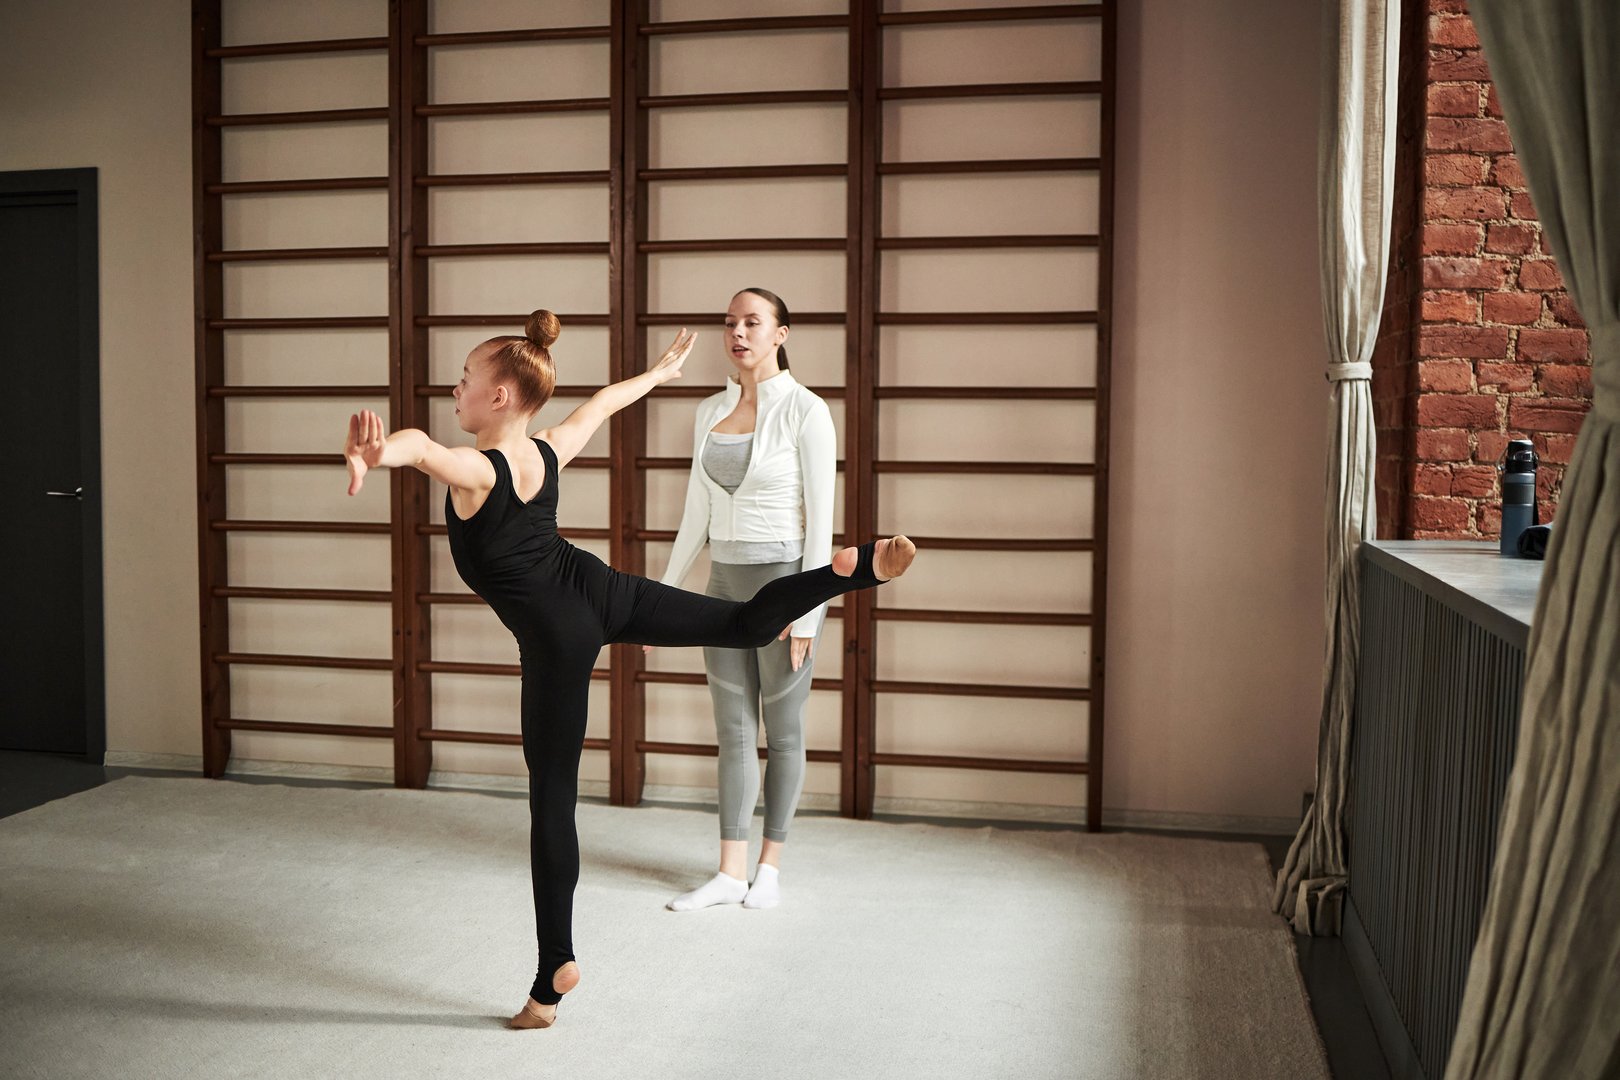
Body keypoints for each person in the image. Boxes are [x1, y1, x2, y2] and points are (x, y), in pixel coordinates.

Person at [341, 309, 915, 1030]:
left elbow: (423, 448)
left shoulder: (476, 471)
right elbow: (603, 404)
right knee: (742, 624)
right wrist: (656, 375)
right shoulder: (547, 450)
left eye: (463, 380)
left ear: (498, 398)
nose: (453, 390)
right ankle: (853, 570)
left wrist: (376, 454)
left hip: (557, 637)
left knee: (552, 798)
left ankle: (553, 974)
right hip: (600, 589)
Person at [651, 288, 832, 913]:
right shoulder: (708, 412)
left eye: (753, 322)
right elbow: (693, 516)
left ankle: (770, 867)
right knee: (732, 732)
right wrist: (661, 597)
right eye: (730, 323)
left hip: (785, 585)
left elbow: (822, 526)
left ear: (781, 334)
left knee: (783, 733)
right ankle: (729, 873)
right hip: (723, 586)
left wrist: (810, 611)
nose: (739, 333)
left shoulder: (807, 411)